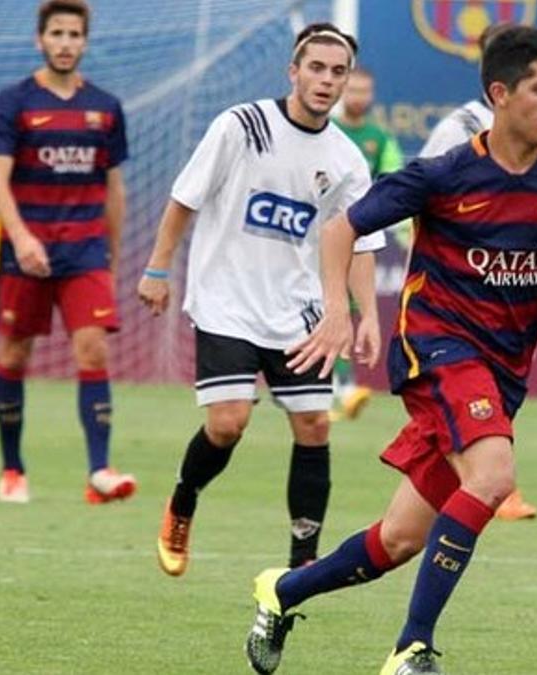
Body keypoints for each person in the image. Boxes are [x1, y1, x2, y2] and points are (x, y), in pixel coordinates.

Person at [243, 25, 537, 675]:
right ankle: (412, 648)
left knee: (400, 538)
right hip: (436, 346)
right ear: (499, 93)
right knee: (493, 476)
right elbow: (340, 229)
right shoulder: (442, 175)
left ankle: (281, 590)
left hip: (503, 371)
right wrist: (337, 312)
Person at [137, 22, 385, 576]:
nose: (325, 80)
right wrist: (157, 268)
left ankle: (302, 561)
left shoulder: (346, 158)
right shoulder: (242, 125)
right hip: (225, 298)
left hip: (297, 308)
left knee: (315, 425)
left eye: (336, 71)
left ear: (347, 81)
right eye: (315, 68)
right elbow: (185, 199)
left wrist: (368, 314)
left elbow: (362, 241)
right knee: (228, 423)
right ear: (293, 72)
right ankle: (183, 500)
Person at [414, 22, 537, 522]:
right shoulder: (458, 128)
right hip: (461, 293)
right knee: (472, 391)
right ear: (494, 81)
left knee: (501, 386)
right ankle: (495, 485)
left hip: (515, 289)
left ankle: (474, 479)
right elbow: (422, 197)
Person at [0, 0, 136, 505]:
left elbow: (114, 189)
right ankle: (12, 469)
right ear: (40, 40)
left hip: (85, 250)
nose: (66, 42)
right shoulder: (14, 102)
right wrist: (21, 238)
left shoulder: (106, 108)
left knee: (93, 348)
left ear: (85, 42)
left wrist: (110, 257)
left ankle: (100, 470)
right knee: (13, 354)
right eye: (57, 33)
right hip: (24, 250)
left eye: (74, 34)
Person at [328, 67, 406, 422]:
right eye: (353, 89)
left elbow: (395, 186)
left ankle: (338, 390)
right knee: (328, 308)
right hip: (318, 237)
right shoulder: (327, 131)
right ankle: (335, 390)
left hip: (357, 239)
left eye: (365, 90)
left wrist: (408, 236)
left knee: (346, 309)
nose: (358, 96)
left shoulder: (380, 138)